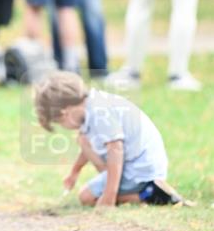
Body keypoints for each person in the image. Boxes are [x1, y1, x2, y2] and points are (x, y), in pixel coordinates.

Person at [34, 71, 181, 208]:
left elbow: (116, 150)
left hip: (139, 169)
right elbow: (89, 145)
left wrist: (109, 196)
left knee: (86, 197)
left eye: (60, 122)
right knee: (83, 140)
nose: (64, 127)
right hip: (137, 164)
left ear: (65, 113)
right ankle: (124, 189)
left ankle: (149, 194)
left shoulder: (100, 114)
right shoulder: (93, 104)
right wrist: (75, 172)